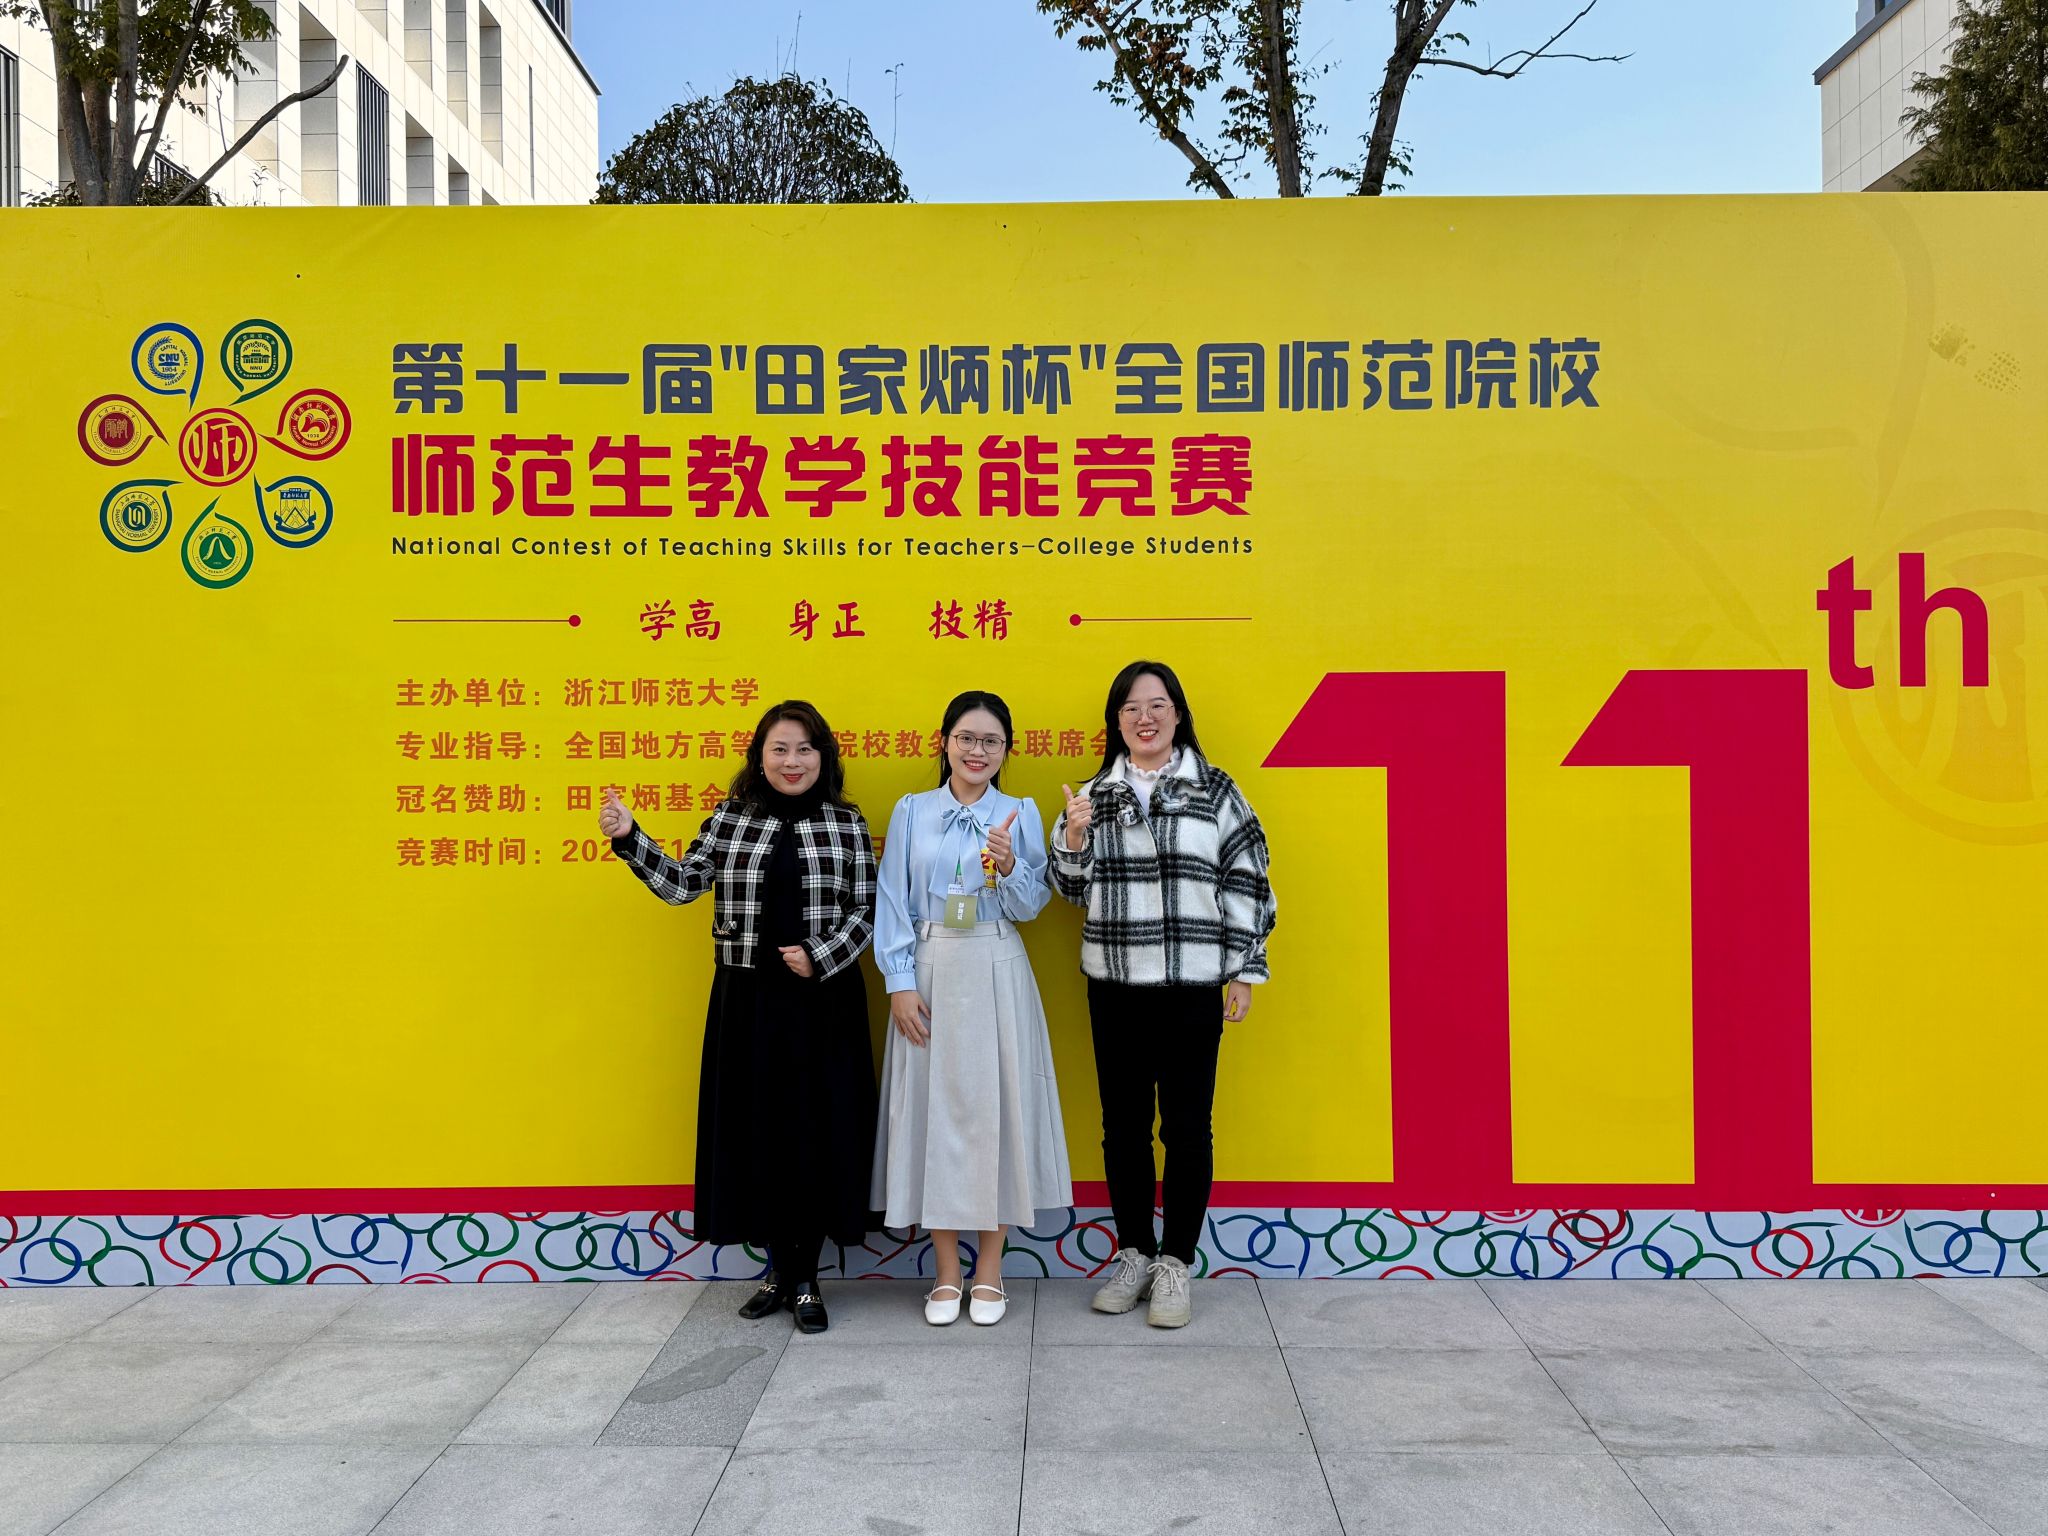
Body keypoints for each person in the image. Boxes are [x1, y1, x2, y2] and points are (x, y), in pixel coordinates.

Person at [598, 699, 877, 1335]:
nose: (792, 761)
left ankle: (806, 1278)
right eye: (779, 749)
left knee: (815, 1133)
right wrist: (630, 838)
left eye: (804, 749)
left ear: (823, 757)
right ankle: (777, 1271)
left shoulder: (846, 822)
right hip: (748, 1001)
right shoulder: (731, 817)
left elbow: (867, 909)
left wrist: (820, 954)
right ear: (760, 757)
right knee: (759, 1133)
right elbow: (682, 884)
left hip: (823, 1003)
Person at [1049, 660, 1276, 1329]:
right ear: (1116, 723)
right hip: (1115, 984)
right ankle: (1133, 1254)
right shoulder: (1094, 794)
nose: (1144, 718)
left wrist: (1244, 969)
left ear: (1178, 714)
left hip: (1191, 984)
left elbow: (1248, 877)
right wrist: (1074, 836)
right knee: (1122, 1127)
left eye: (1157, 705)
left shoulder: (1215, 789)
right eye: (1130, 709)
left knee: (1185, 1127)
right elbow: (1070, 890)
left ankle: (1176, 1262)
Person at [872, 691, 1071, 1326]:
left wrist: (1010, 867)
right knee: (932, 1114)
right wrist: (899, 981)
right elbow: (892, 899)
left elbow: (1030, 906)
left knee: (997, 1114)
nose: (977, 751)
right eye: (966, 738)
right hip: (929, 967)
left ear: (1006, 750)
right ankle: (945, 1271)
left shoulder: (1020, 812)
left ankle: (989, 1269)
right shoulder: (912, 810)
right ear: (945, 742)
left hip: (996, 965)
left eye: (990, 741)